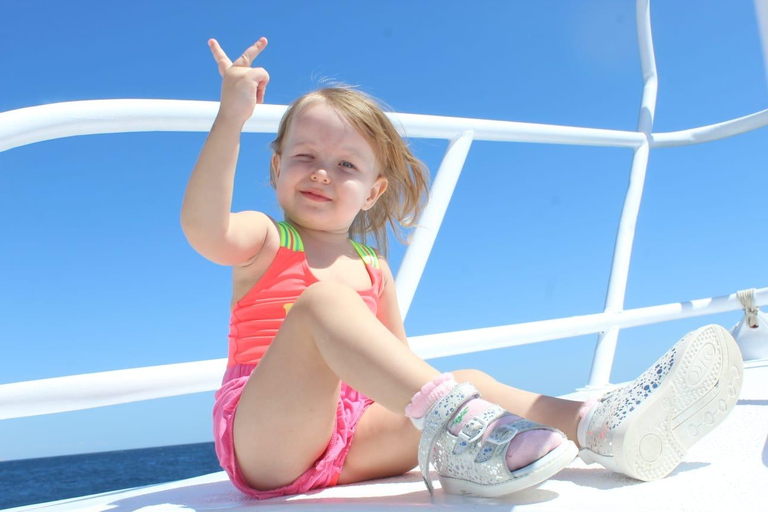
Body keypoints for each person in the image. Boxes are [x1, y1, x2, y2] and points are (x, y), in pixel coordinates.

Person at [180, 37, 744, 499]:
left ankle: (597, 426)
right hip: (266, 443)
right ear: (277, 166)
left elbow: (398, 367)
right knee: (324, 306)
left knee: (466, 381)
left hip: (351, 440)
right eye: (304, 157)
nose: (321, 173)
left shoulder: (374, 269)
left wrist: (433, 404)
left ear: (373, 192)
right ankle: (466, 428)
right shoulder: (265, 238)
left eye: (344, 164)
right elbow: (204, 228)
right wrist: (231, 118)